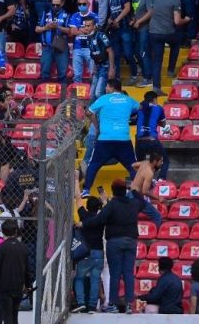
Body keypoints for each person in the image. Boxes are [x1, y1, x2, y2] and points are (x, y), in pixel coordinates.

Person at [78, 178, 145, 314]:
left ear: (113, 191)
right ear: (125, 190)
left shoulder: (112, 204)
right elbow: (143, 203)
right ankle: (128, 304)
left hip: (114, 242)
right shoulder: (133, 203)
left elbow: (99, 219)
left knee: (115, 273)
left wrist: (84, 224)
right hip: (131, 241)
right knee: (128, 273)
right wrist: (134, 190)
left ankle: (113, 304)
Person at [80, 79, 138, 198]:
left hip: (105, 138)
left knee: (94, 164)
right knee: (133, 166)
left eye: (106, 86)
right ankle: (137, 190)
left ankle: (86, 190)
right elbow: (141, 109)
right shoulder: (128, 100)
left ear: (111, 87)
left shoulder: (104, 99)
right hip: (123, 139)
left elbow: (89, 113)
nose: (105, 88)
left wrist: (97, 127)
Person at [149, 0, 190, 96]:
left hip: (153, 32)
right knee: (176, 43)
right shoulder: (175, 0)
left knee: (157, 61)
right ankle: (171, 70)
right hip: (167, 32)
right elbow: (177, 21)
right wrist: (186, 20)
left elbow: (152, 12)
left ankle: (156, 86)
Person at [0, 217, 32, 324]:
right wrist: (28, 285)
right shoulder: (23, 247)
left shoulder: (1, 247)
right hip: (18, 285)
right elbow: (27, 269)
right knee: (14, 314)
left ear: (2, 231)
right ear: (15, 231)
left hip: (3, 287)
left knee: (6, 315)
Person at [72, 193, 103, 314]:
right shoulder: (101, 218)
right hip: (99, 251)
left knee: (79, 278)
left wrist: (75, 180)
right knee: (95, 279)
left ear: (87, 206)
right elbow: (106, 209)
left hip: (85, 252)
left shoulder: (83, 215)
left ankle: (81, 303)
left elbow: (78, 198)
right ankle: (92, 306)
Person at [135, 91, 169, 180]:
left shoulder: (139, 107)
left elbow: (133, 119)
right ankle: (160, 180)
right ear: (154, 99)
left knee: (140, 163)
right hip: (152, 140)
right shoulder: (159, 108)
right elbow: (164, 125)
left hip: (139, 141)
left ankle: (141, 182)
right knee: (165, 160)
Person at [37, 0, 70, 82]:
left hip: (61, 48)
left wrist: (58, 27)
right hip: (47, 47)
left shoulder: (66, 15)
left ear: (62, 3)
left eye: (57, 5)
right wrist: (46, 28)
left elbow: (70, 32)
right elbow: (37, 29)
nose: (55, 7)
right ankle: (43, 95)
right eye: (53, 5)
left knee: (63, 74)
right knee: (44, 73)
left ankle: (63, 95)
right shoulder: (45, 13)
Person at [86, 16, 114, 101]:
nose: (86, 28)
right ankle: (96, 113)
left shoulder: (101, 35)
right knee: (91, 95)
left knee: (98, 93)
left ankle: (104, 113)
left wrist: (111, 68)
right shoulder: (88, 37)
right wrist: (94, 67)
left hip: (105, 66)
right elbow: (93, 54)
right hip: (97, 66)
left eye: (89, 26)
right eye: (85, 26)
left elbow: (110, 51)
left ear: (94, 26)